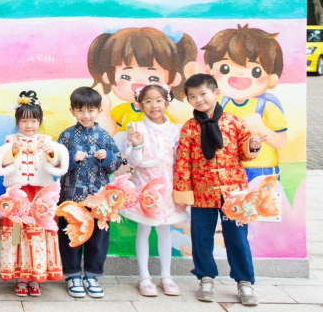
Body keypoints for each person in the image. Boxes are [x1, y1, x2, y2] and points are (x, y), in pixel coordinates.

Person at [173, 74, 264, 306]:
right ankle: (205, 278)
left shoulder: (234, 122)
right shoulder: (189, 128)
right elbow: (183, 161)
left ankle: (245, 282)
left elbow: (245, 152)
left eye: (203, 94)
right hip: (202, 193)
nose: (199, 99)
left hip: (233, 193)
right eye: (192, 96)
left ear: (216, 93)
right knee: (201, 237)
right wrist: (183, 192)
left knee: (237, 238)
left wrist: (253, 145)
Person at [0, 90, 69, 297]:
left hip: (39, 197)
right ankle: (20, 277)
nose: (29, 125)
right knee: (17, 235)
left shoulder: (47, 141)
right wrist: (13, 151)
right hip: (16, 197)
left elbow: (58, 164)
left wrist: (50, 152)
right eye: (24, 120)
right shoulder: (10, 141)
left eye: (34, 120)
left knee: (37, 234)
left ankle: (36, 277)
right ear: (17, 121)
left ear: (40, 121)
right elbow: (2, 165)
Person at [115, 84, 188, 297]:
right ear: (140, 105)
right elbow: (133, 161)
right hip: (145, 188)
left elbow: (180, 158)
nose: (153, 105)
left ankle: (166, 276)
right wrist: (137, 145)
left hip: (168, 188)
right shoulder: (136, 127)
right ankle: (144, 276)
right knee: (144, 229)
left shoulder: (175, 130)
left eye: (158, 100)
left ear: (166, 102)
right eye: (148, 101)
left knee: (164, 230)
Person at [58, 86, 122, 299]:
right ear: (72, 111)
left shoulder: (104, 136)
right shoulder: (66, 136)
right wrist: (70, 158)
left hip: (99, 199)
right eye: (80, 110)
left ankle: (92, 275)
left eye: (91, 110)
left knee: (98, 238)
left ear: (99, 111)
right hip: (71, 198)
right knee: (71, 235)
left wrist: (108, 157)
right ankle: (72, 275)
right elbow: (55, 164)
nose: (86, 115)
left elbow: (116, 163)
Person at [202, 25, 286, 182]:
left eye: (256, 71)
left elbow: (281, 142)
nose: (240, 74)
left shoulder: (266, 106)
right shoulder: (221, 103)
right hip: (229, 168)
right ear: (209, 70)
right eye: (225, 68)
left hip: (263, 170)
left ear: (272, 78)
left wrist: (261, 129)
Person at [86, 27, 198, 136]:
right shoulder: (123, 111)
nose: (138, 84)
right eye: (125, 76)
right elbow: (109, 133)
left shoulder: (162, 116)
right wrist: (104, 110)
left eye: (153, 78)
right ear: (107, 76)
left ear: (174, 79)